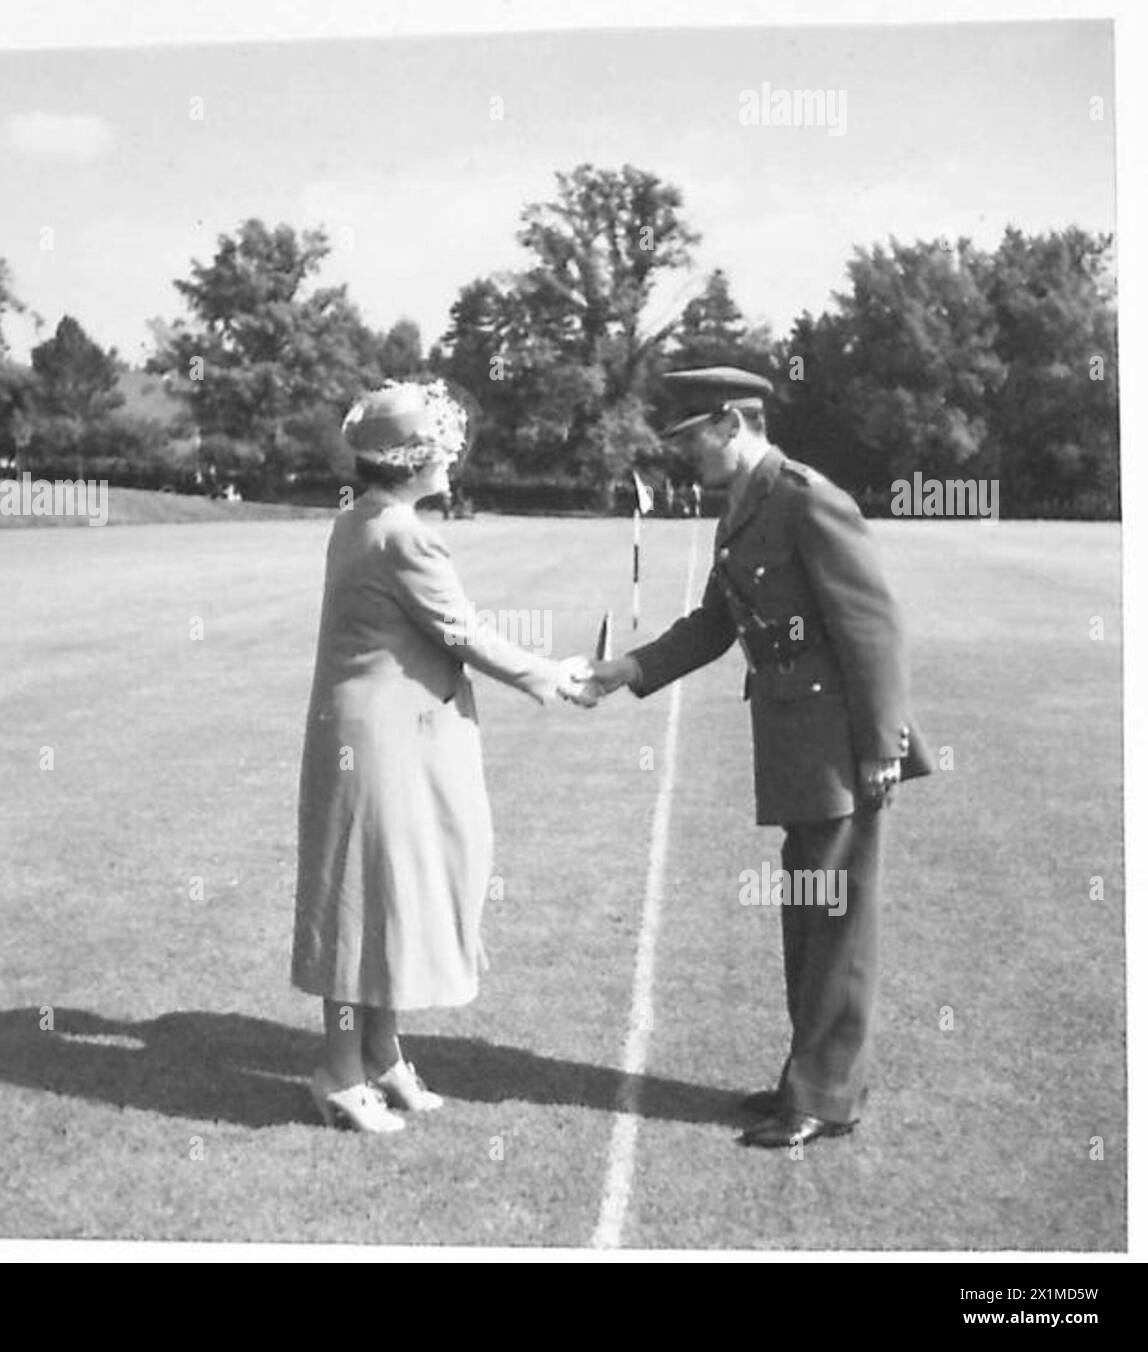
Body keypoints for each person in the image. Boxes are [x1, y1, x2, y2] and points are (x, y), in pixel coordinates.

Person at [585, 366, 932, 1149]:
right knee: (810, 918)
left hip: (843, 746)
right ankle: (805, 1080)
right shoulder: (743, 507)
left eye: (690, 437)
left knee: (837, 920)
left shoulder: (807, 497)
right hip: (795, 742)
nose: (683, 454)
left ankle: (826, 1097)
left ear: (732, 422)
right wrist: (626, 671)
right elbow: (714, 625)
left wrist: (882, 748)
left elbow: (874, 629)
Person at [292, 379, 592, 1133]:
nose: (454, 463)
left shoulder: (362, 518)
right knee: (363, 897)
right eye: (445, 451)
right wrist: (550, 676)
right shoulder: (404, 535)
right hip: (383, 741)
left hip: (389, 734)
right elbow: (464, 633)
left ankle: (381, 1054)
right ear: (415, 459)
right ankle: (338, 1070)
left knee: (390, 889)